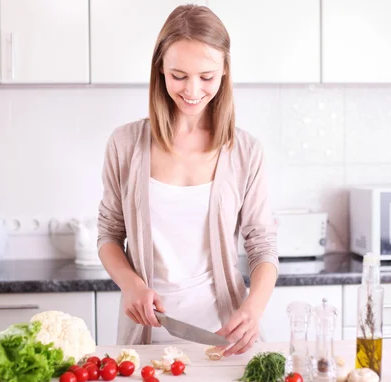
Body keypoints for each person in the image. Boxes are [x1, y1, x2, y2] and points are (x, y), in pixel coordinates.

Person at [97, 4, 278, 357]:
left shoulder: (245, 151)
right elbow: (108, 234)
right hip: (146, 342)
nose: (192, 90)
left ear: (225, 71)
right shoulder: (125, 144)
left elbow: (262, 246)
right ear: (160, 70)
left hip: (225, 340)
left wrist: (253, 309)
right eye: (178, 75)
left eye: (206, 77)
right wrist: (131, 285)